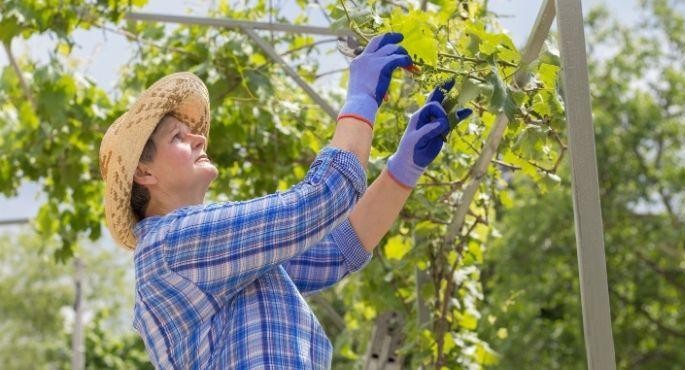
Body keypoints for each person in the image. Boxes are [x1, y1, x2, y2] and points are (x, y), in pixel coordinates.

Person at [99, 33, 471, 369]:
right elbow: (321, 200)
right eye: (179, 138)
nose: (199, 140)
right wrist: (360, 99)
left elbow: (337, 250)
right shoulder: (172, 244)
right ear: (144, 174)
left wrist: (402, 170)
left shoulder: (215, 259)